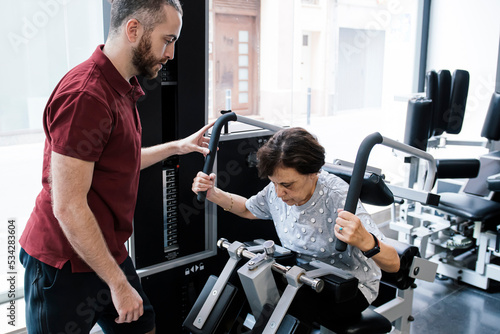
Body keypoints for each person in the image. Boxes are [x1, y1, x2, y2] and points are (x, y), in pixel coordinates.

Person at [19, 1, 212, 333]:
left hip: (103, 250)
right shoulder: (87, 96)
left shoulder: (120, 88)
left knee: (143, 326)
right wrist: (118, 284)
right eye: (167, 40)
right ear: (134, 30)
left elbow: (121, 161)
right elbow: (67, 205)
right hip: (63, 262)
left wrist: (179, 147)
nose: (171, 54)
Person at [192, 127, 400, 323]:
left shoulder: (338, 198)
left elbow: (394, 264)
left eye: (287, 185)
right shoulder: (277, 190)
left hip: (348, 286)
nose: (279, 193)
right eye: (274, 183)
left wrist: (366, 241)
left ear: (313, 173)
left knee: (283, 309)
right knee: (238, 284)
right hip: (301, 274)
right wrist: (213, 193)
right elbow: (248, 208)